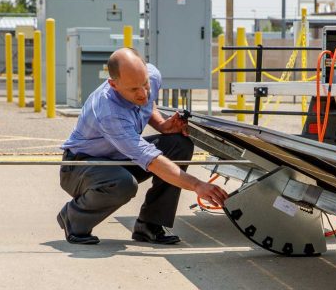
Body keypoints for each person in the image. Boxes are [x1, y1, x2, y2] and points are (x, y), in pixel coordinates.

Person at [58, 48, 228, 245]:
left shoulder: (151, 76)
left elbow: (148, 103)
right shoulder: (108, 111)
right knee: (123, 184)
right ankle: (73, 218)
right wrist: (197, 185)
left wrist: (162, 125)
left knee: (178, 144)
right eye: (133, 89)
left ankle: (149, 225)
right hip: (80, 167)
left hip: (120, 157)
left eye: (145, 84)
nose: (143, 93)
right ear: (113, 84)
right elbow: (151, 160)